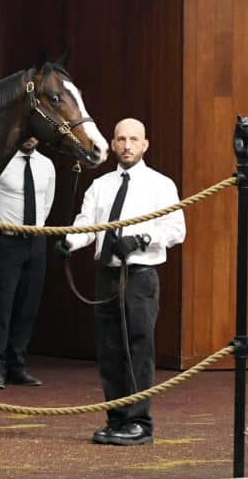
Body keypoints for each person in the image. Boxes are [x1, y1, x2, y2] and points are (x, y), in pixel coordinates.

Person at [55, 119, 186, 446]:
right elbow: (87, 225)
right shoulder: (101, 185)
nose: (127, 145)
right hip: (107, 277)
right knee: (110, 350)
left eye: (134, 139)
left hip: (140, 277)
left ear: (145, 145)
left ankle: (139, 423)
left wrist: (141, 238)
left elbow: (176, 230)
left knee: (137, 349)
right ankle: (116, 419)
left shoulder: (161, 184)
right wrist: (68, 243)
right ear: (112, 145)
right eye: (121, 139)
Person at [0, 137, 55, 390]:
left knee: (28, 305)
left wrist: (36, 230)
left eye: (36, 134)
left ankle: (17, 366)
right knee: (4, 306)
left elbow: (46, 202)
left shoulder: (47, 165)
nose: (31, 138)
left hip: (36, 241)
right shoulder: (1, 163)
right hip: (7, 241)